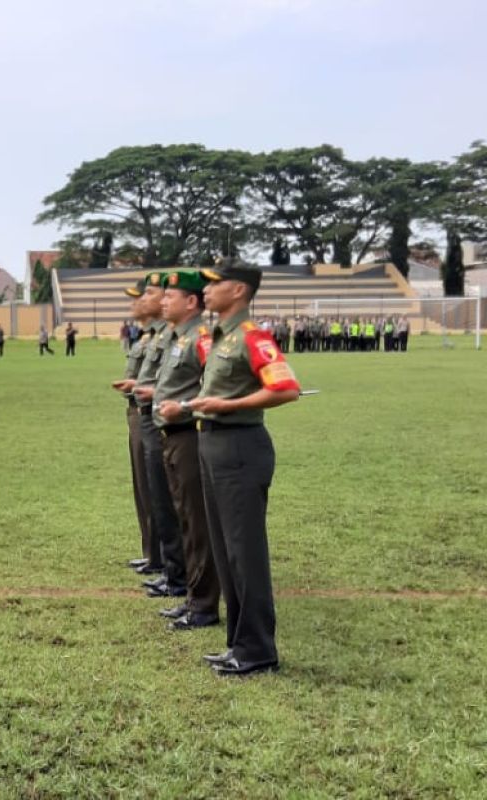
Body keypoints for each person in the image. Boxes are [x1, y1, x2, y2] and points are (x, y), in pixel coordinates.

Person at [189, 261, 300, 676]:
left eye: (215, 284)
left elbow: (285, 389)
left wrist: (226, 406)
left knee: (245, 553)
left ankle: (257, 650)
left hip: (239, 446)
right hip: (213, 444)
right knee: (225, 550)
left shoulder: (254, 337)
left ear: (238, 291)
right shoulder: (222, 337)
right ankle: (238, 642)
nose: (207, 291)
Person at [152, 270, 220, 631]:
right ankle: (194, 597)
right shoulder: (179, 338)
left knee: (198, 522)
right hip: (172, 436)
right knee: (185, 519)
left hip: (191, 435)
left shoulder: (203, 338)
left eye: (170, 296)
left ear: (191, 302)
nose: (164, 301)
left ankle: (205, 604)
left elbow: (219, 387)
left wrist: (186, 409)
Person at [129, 273, 187, 599]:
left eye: (149, 293)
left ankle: (174, 569)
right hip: (147, 413)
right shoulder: (153, 336)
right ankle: (161, 560)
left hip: (167, 420)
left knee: (167, 498)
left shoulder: (174, 338)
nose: (142, 300)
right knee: (151, 493)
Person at [111, 280, 159, 576]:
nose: (135, 303)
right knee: (144, 489)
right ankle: (152, 552)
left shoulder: (163, 339)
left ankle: (163, 558)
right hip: (136, 410)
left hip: (152, 414)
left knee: (156, 490)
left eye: (142, 297)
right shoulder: (145, 338)